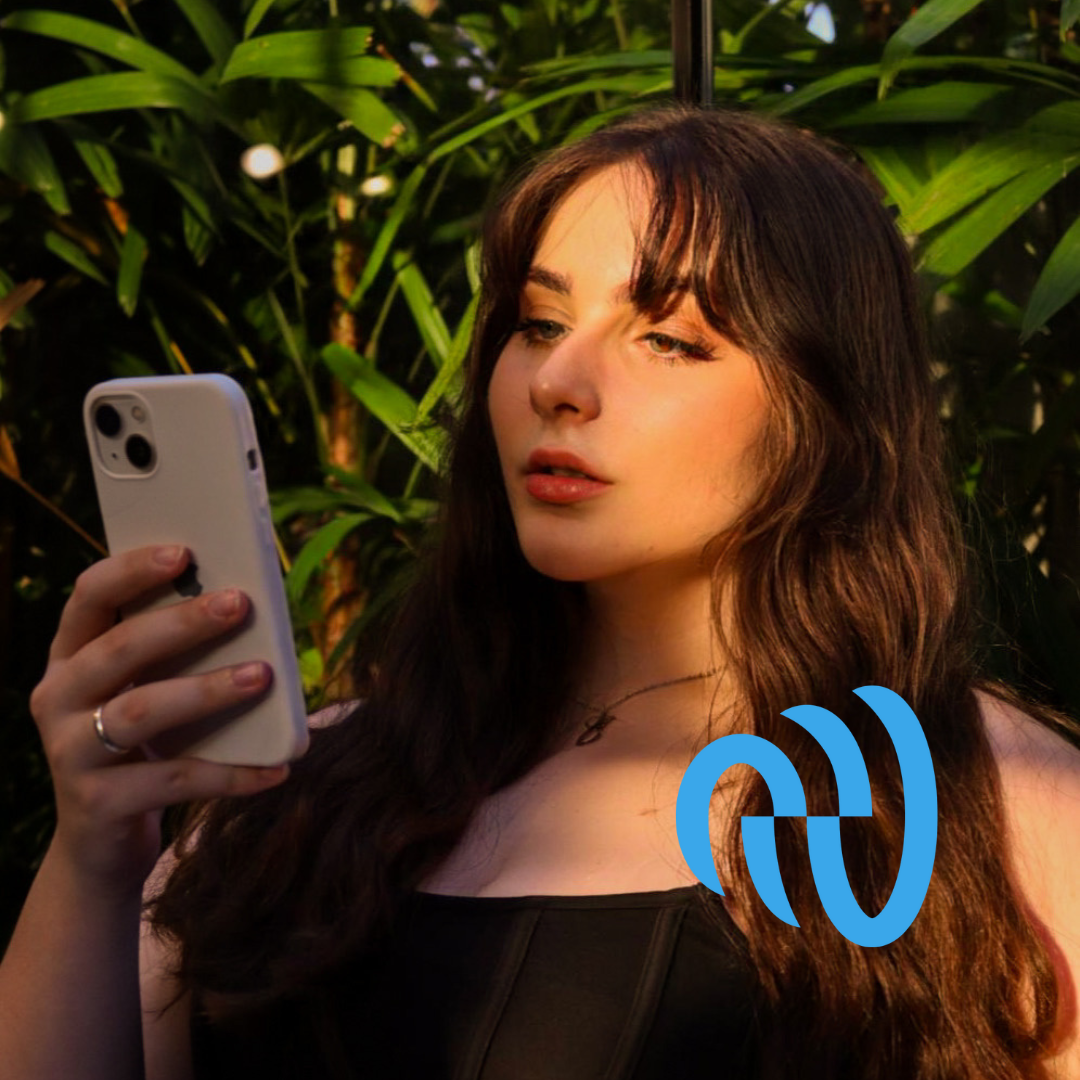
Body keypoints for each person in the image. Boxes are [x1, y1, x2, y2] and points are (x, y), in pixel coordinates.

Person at [2, 104, 1079, 1080]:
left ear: (828, 407)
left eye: (667, 337)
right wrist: (93, 855)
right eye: (537, 322)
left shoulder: (986, 805)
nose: (559, 382)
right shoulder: (307, 791)